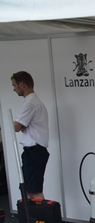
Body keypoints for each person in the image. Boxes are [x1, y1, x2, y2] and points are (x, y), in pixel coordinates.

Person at [11, 71, 49, 200]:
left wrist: (16, 123)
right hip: (32, 152)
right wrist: (19, 124)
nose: (13, 89)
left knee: (34, 191)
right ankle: (31, 219)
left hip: (35, 151)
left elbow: (16, 127)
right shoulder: (31, 102)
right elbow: (21, 126)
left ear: (22, 85)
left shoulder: (31, 103)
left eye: (14, 85)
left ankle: (41, 219)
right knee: (28, 190)